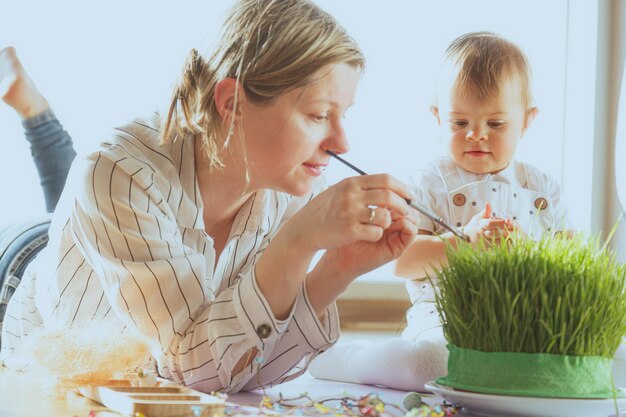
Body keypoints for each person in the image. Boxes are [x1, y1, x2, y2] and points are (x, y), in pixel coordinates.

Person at [0, 0, 419, 394]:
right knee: (72, 181)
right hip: (23, 276)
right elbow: (185, 366)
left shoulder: (294, 188)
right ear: (232, 103)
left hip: (122, 245)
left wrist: (337, 269)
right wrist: (295, 243)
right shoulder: (121, 170)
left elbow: (244, 371)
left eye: (344, 115)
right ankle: (35, 111)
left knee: (71, 195)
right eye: (317, 115)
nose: (342, 143)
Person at [309, 31, 578, 391]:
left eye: (495, 124)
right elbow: (404, 263)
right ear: (438, 117)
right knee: (432, 364)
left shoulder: (542, 189)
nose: (476, 135)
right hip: (446, 323)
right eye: (460, 123)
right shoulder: (432, 181)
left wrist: (526, 252)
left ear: (527, 120)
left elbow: (573, 262)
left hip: (522, 323)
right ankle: (347, 359)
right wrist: (465, 244)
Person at [0, 46, 76, 341]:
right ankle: (35, 112)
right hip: (34, 249)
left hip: (21, 269)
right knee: (75, 209)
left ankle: (36, 113)